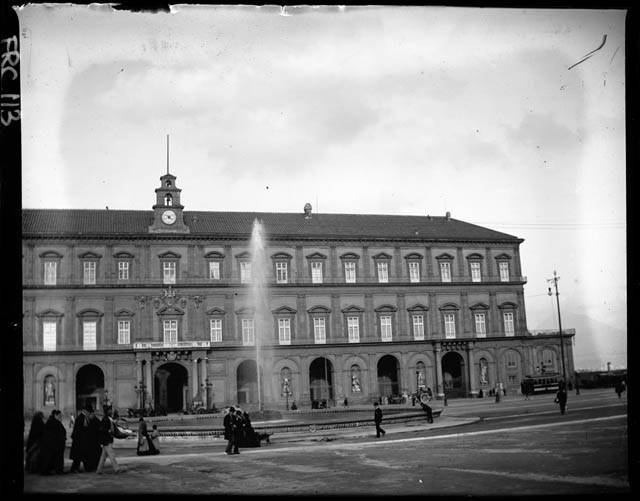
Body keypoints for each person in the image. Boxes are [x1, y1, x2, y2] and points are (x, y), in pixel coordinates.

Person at [70, 404, 98, 473]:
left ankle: (87, 468)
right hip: (79, 441)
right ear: (85, 411)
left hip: (82, 441)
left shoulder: (85, 418)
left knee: (83, 456)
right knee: (78, 457)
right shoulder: (81, 418)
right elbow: (79, 430)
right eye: (89, 412)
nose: (89, 413)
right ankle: (75, 469)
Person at [38, 409, 67, 475]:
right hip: (53, 444)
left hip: (54, 444)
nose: (61, 417)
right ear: (55, 415)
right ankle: (54, 470)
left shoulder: (53, 421)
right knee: (53, 458)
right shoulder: (53, 422)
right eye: (59, 416)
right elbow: (56, 433)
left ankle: (54, 470)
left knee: (54, 458)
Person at [96, 406, 122, 474]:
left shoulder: (108, 418)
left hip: (107, 439)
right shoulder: (105, 419)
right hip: (106, 439)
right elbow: (101, 429)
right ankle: (117, 468)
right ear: (107, 411)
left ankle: (99, 470)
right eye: (110, 410)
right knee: (111, 454)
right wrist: (108, 431)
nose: (111, 411)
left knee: (103, 456)